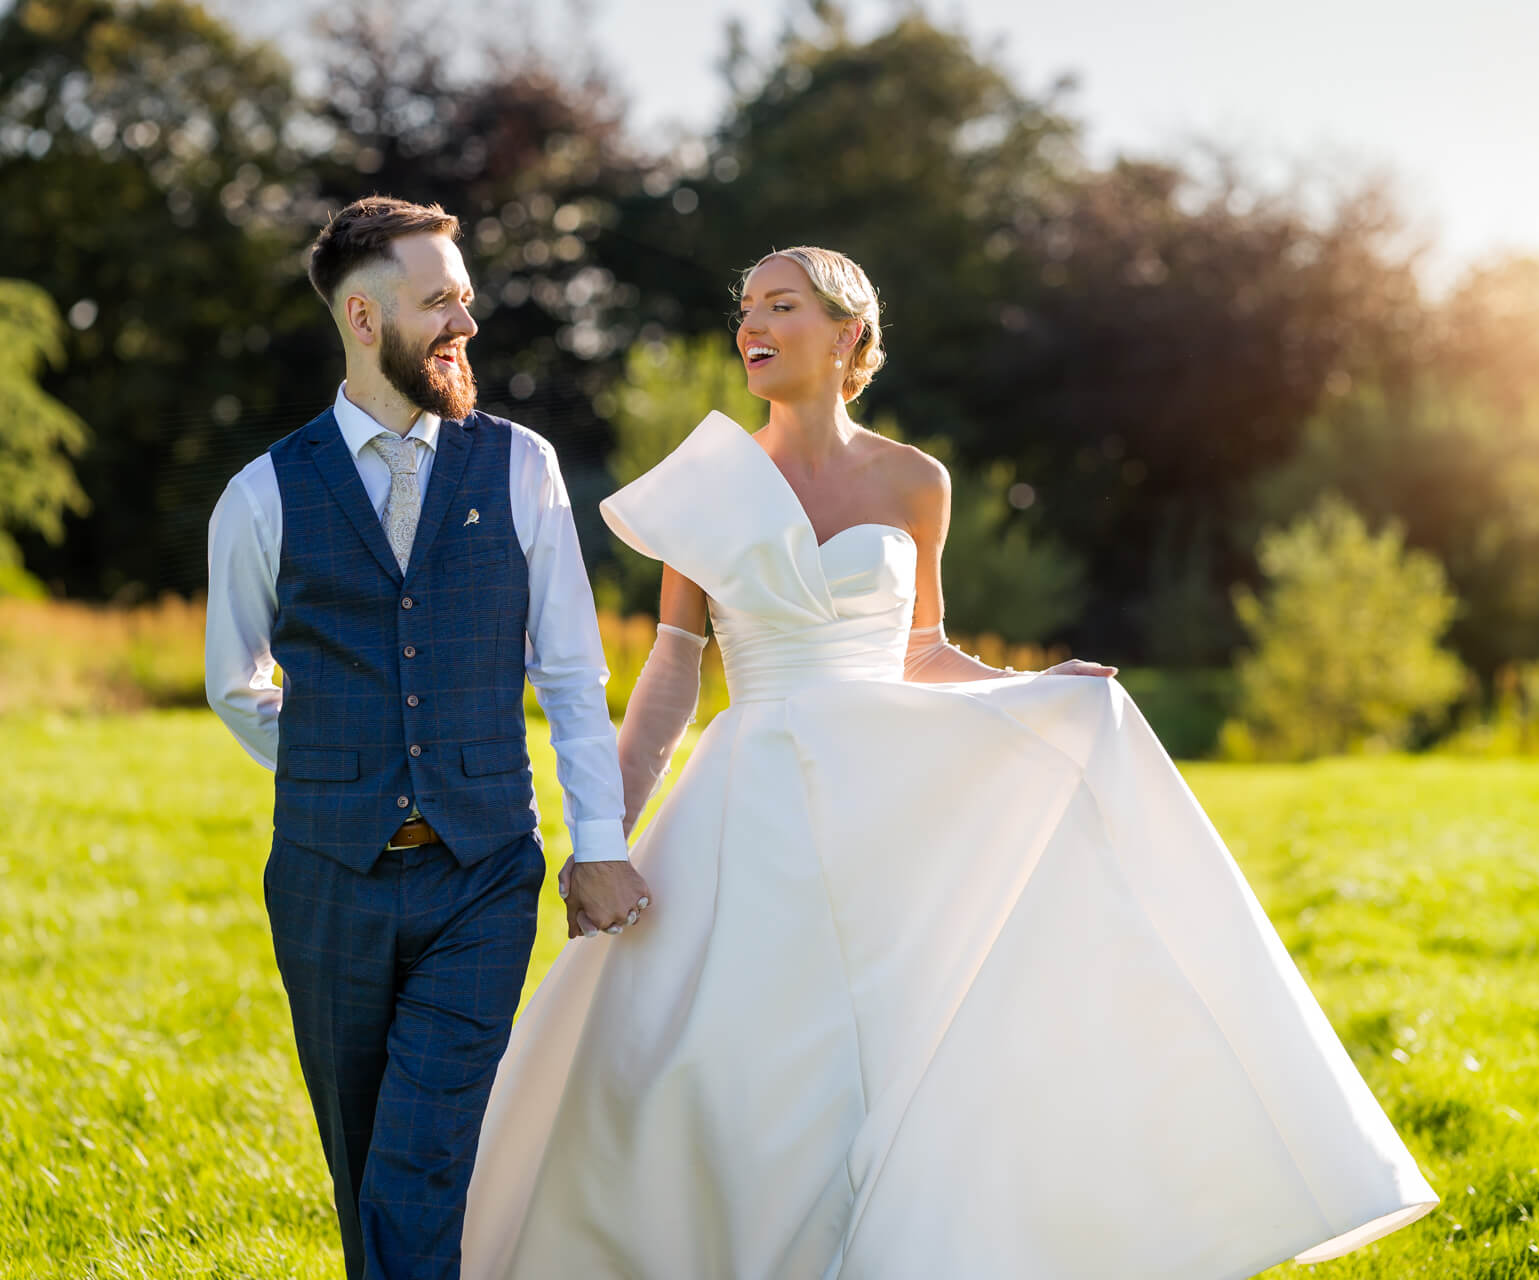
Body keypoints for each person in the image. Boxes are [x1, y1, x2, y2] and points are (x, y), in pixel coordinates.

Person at [462, 247, 1438, 1278]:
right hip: (749, 810)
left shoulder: (915, 480)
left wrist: (1045, 689)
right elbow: (669, 674)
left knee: (895, 1065)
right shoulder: (704, 484)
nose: (754, 323)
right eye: (746, 306)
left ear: (849, 336)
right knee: (715, 1066)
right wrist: (603, 835)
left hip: (891, 806)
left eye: (782, 304)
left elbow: (921, 649)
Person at [204, 195, 649, 1280]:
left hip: (484, 873)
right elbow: (234, 681)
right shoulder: (263, 492)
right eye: (439, 299)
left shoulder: (521, 465)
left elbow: (572, 674)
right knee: (360, 1153)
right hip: (325, 879)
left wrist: (598, 839)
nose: (467, 322)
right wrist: (339, 770)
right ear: (363, 315)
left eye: (466, 296)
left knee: (419, 1157)